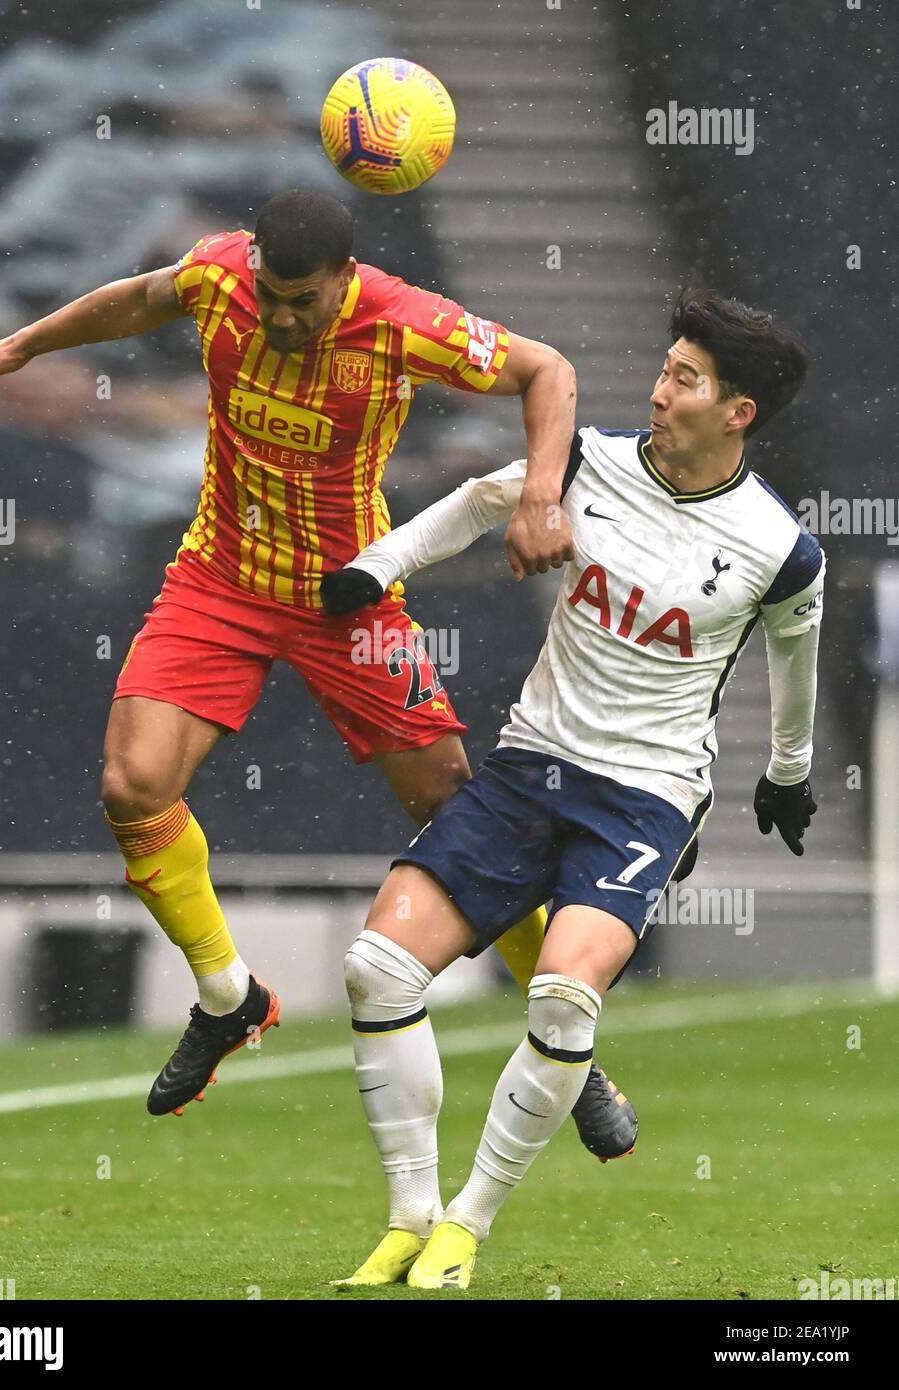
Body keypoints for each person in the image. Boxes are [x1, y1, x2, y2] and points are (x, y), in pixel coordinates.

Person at [0, 187, 634, 1157]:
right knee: (132, 786)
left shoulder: (402, 321)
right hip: (218, 578)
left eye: (302, 300)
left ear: (344, 280)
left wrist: (543, 496)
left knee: (459, 810)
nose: (281, 314)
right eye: (271, 293)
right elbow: (140, 298)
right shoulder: (224, 272)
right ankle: (229, 998)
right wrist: (21, 347)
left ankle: (570, 1050)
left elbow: (546, 369)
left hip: (348, 594)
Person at [328, 288, 823, 1289]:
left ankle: (467, 1225)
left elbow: (796, 661)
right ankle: (409, 1214)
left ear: (738, 413)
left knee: (560, 993)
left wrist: (789, 775)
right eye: (664, 366)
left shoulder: (780, 549)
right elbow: (480, 500)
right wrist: (377, 567)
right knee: (377, 967)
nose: (659, 388)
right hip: (527, 767)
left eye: (685, 378)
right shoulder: (590, 462)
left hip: (645, 799)